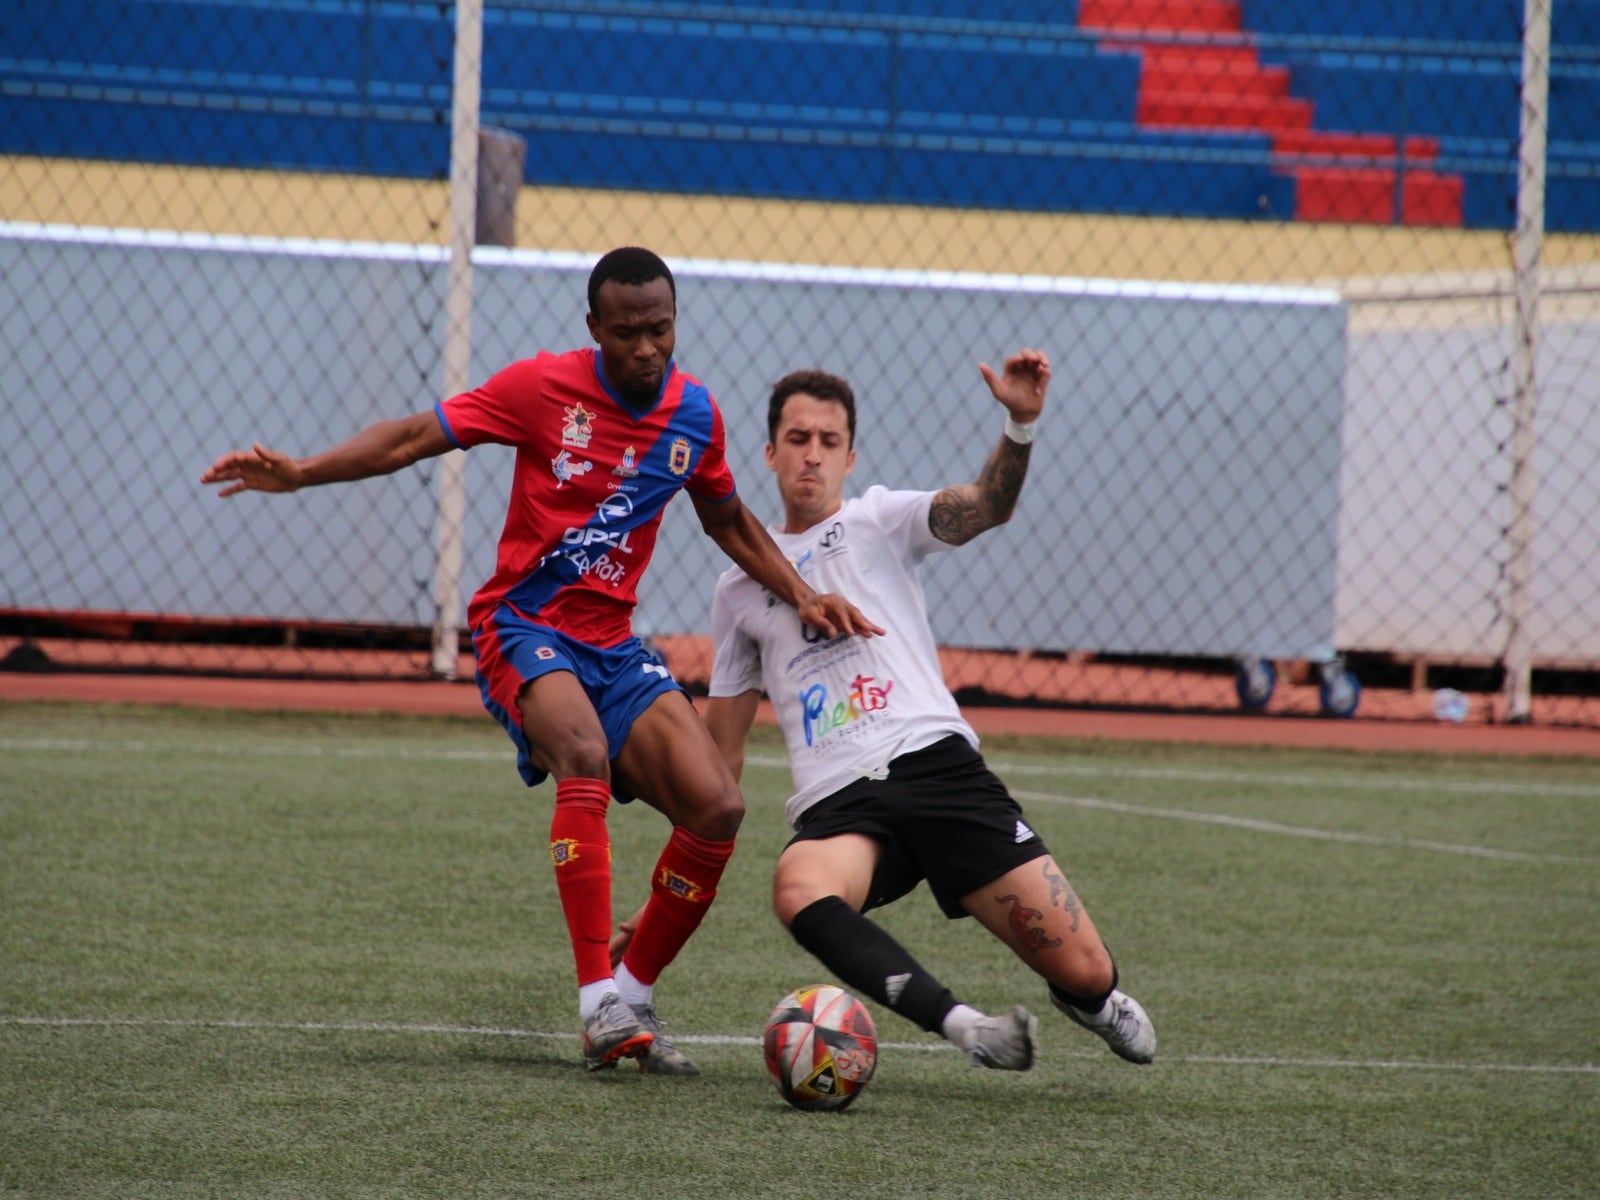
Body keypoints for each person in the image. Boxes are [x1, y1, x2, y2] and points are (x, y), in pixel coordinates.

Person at [200, 246, 882, 1077]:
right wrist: (303, 473)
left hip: (612, 643)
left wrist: (801, 593)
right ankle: (596, 1002)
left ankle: (632, 993)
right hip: (522, 624)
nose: (645, 348)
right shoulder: (540, 388)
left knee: (718, 808)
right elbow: (417, 435)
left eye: (659, 330)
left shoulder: (695, 415)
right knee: (584, 755)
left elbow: (729, 521)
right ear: (593, 328)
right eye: (626, 332)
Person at [691, 351, 1155, 1070]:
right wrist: (668, 898)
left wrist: (1020, 424)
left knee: (1088, 970)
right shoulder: (737, 590)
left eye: (828, 441)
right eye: (797, 439)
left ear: (850, 457)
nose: (811, 455)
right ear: (769, 453)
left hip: (935, 766)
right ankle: (966, 1026)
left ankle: (1089, 1003)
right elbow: (718, 765)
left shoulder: (880, 519)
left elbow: (987, 506)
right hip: (841, 799)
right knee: (796, 886)